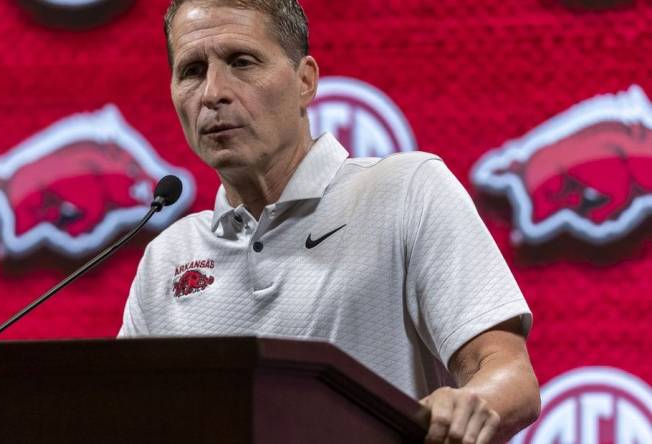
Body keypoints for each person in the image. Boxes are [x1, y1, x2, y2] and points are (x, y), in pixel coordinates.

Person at [119, 0, 541, 442]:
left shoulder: (406, 190)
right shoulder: (166, 257)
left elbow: (509, 374)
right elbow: (119, 417)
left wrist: (470, 402)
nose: (212, 93)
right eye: (191, 71)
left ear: (305, 81)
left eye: (241, 62)